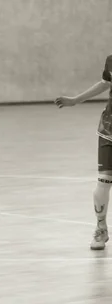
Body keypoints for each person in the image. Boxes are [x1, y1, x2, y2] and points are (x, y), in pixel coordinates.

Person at [55, 56, 112, 250]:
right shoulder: (111, 60)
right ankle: (101, 227)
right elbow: (104, 83)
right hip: (109, 129)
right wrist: (75, 100)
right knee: (103, 181)